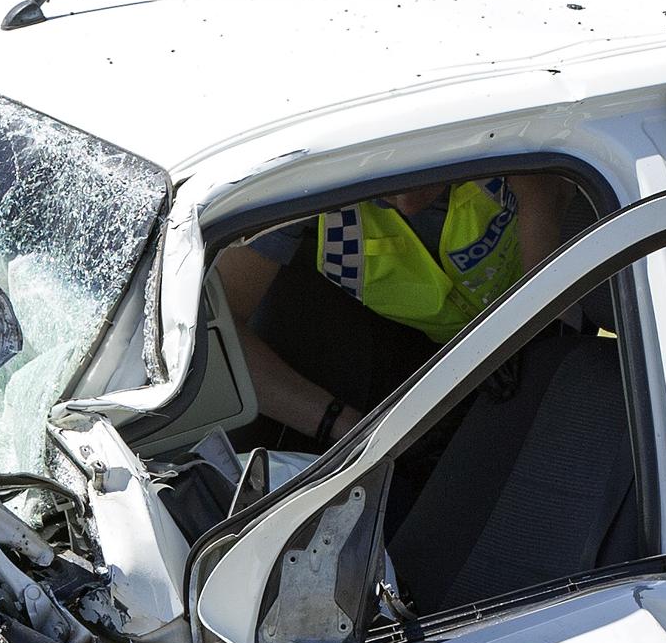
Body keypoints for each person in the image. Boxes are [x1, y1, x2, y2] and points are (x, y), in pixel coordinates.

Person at [215, 171, 570, 448]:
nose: (407, 200)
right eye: (378, 183)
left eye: (423, 167)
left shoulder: (501, 142)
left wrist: (537, 346)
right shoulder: (300, 184)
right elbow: (217, 339)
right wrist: (354, 431)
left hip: (540, 321)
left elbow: (551, 207)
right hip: (439, 359)